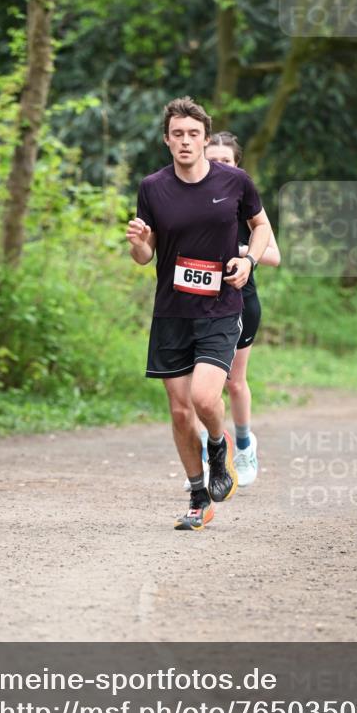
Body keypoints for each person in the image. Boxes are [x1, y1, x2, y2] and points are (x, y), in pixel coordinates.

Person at [126, 96, 271, 531]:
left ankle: (217, 445)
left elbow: (261, 226)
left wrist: (249, 262)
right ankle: (197, 496)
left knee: (206, 399)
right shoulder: (152, 188)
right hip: (172, 312)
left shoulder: (235, 182)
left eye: (193, 134)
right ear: (167, 141)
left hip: (221, 308)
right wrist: (137, 242)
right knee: (177, 411)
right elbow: (144, 256)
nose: (185, 142)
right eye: (177, 135)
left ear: (206, 140)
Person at [186, 132, 281, 491]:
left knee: (232, 381)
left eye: (227, 160)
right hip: (196, 304)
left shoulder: (244, 198)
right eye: (215, 159)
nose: (220, 165)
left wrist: (242, 250)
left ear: (237, 165)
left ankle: (244, 447)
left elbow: (275, 254)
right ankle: (208, 462)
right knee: (197, 388)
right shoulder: (189, 195)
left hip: (241, 302)